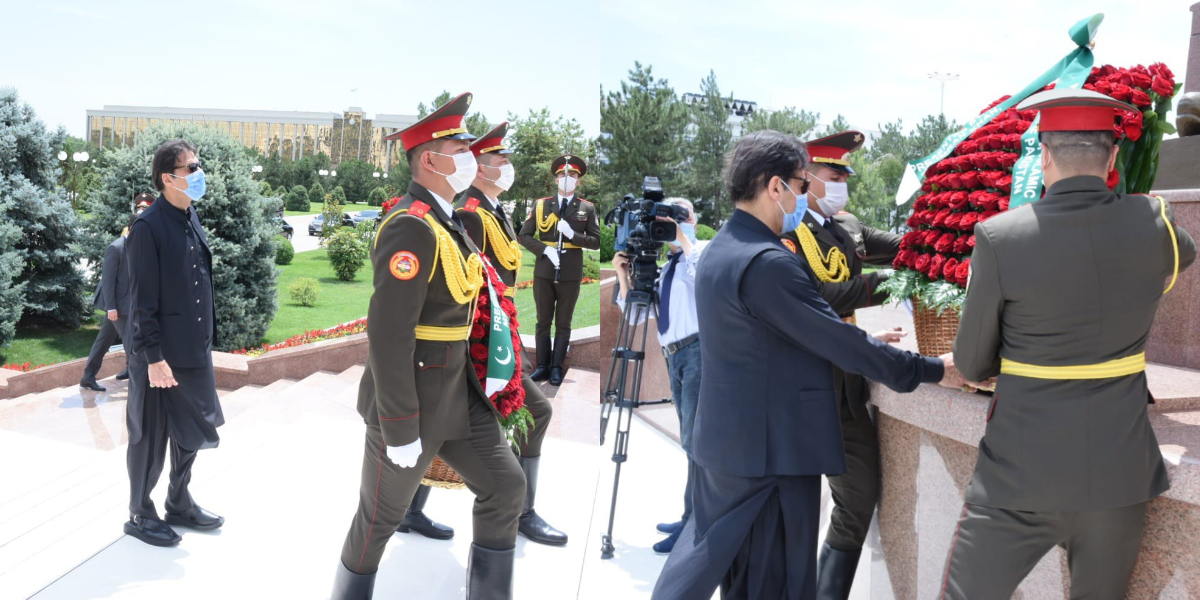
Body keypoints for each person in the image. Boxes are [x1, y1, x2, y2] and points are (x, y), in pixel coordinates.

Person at [651, 130, 963, 600]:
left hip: (730, 446)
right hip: (770, 452)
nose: (803, 197)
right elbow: (836, 338)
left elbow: (766, 338)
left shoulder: (721, 249)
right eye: (801, 184)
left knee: (737, 574)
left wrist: (842, 338)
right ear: (775, 187)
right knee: (775, 579)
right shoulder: (767, 261)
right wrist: (934, 368)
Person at [941, 88, 1196, 599]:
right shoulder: (1157, 226)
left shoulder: (1000, 236)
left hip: (1018, 477)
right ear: (1114, 157)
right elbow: (1181, 252)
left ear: (1045, 153)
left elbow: (970, 363)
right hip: (1118, 477)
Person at [331, 93, 526, 600]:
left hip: (458, 395)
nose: (469, 155)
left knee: (505, 488)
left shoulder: (446, 219)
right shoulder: (410, 226)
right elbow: (389, 333)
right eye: (459, 146)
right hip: (413, 402)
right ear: (430, 160)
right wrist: (398, 428)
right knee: (378, 520)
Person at [779, 131, 904, 599]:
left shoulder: (845, 224)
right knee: (791, 508)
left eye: (844, 177)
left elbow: (896, 246)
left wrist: (944, 239)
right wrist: (890, 282)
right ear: (806, 178)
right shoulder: (787, 231)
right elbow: (822, 298)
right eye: (834, 176)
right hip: (805, 383)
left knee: (858, 495)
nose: (841, 186)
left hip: (845, 382)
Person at [123, 141, 225, 548]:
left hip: (193, 351)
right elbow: (141, 303)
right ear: (169, 177)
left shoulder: (188, 214)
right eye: (193, 167)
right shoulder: (148, 227)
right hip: (160, 357)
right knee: (149, 437)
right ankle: (139, 513)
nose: (200, 173)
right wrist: (153, 359)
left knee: (193, 432)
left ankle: (178, 501)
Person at [612, 197, 704, 554]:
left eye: (680, 213)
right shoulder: (665, 269)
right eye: (667, 216)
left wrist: (683, 236)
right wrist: (624, 275)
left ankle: (694, 523)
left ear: (693, 217)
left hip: (698, 354)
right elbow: (635, 318)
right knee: (691, 444)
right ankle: (689, 517)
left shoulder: (702, 252)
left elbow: (707, 279)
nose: (672, 221)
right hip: (675, 358)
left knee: (695, 444)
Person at [517, 155, 601, 386]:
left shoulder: (587, 208)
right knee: (543, 320)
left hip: (570, 272)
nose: (567, 178)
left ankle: (556, 367)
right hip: (545, 269)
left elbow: (595, 241)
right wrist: (545, 250)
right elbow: (524, 236)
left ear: (578, 181)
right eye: (563, 175)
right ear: (556, 180)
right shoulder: (542, 205)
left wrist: (575, 235)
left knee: (563, 322)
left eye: (572, 175)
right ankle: (542, 366)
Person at [81, 193, 154, 391]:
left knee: (103, 342)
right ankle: (140, 386)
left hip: (126, 303)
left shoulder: (139, 246)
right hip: (117, 306)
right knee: (132, 344)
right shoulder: (116, 247)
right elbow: (108, 281)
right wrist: (111, 307)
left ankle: (88, 377)